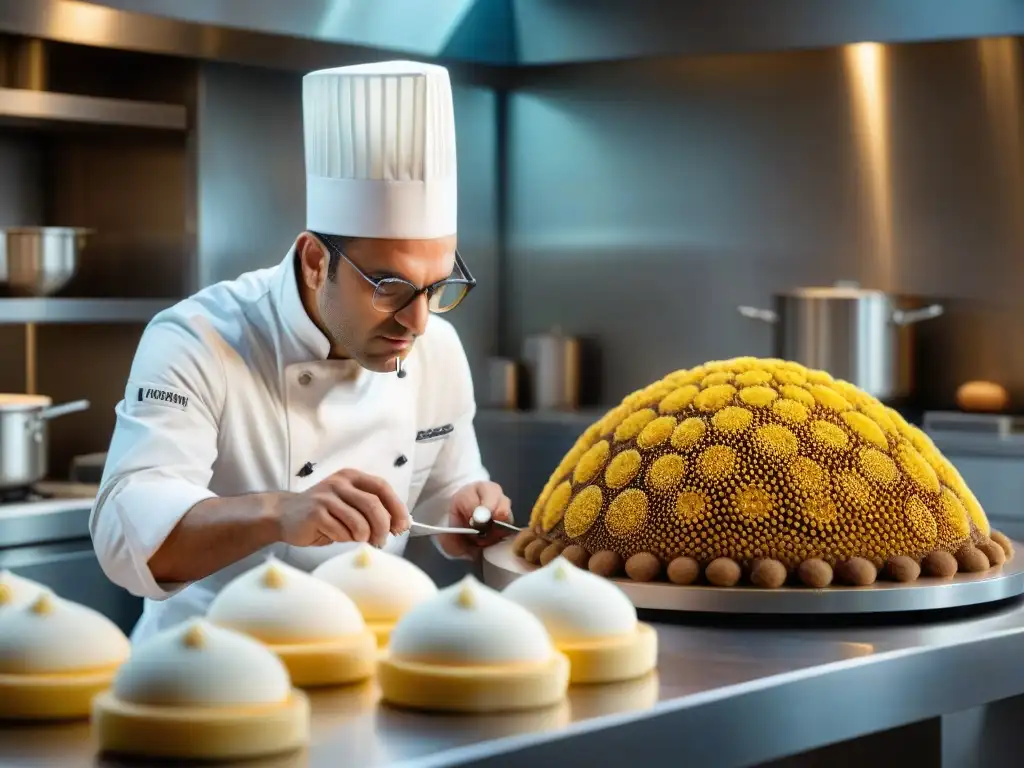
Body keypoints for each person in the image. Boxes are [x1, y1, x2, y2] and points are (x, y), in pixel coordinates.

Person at [89, 60, 513, 644]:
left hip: (366, 668)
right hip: (206, 672)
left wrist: (465, 511)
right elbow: (122, 536)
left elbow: (446, 489)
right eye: (389, 287)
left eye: (438, 287)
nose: (417, 322)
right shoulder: (198, 339)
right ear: (316, 261)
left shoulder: (436, 346)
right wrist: (280, 513)